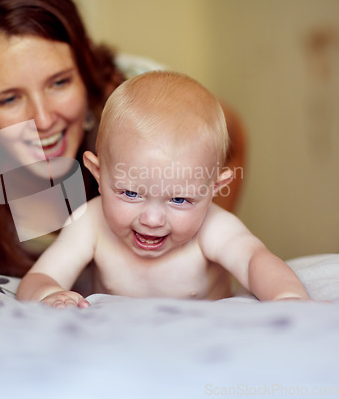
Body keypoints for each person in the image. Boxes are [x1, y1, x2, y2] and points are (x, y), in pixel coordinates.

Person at [0, 0, 244, 278]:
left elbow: (232, 134)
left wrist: (193, 249)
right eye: (10, 98)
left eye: (60, 82)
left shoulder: (132, 104)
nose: (44, 120)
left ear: (84, 69)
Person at [17, 71, 309, 307]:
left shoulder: (213, 227)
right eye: (130, 193)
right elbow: (40, 277)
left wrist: (287, 298)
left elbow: (254, 261)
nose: (152, 220)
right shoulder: (89, 222)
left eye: (180, 199)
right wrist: (48, 295)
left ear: (214, 189)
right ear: (97, 174)